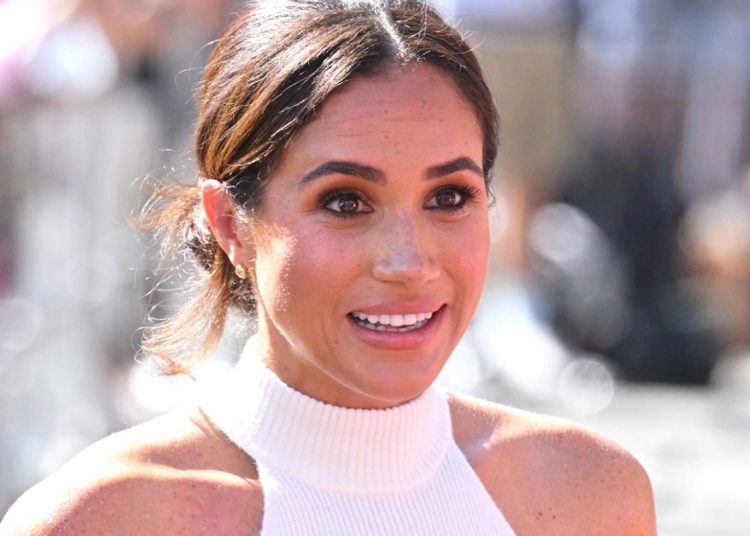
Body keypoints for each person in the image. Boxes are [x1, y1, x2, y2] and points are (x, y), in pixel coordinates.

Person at [0, 1, 656, 534]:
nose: (410, 262)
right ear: (230, 224)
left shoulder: (587, 493)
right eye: (346, 202)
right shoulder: (101, 520)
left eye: (449, 197)